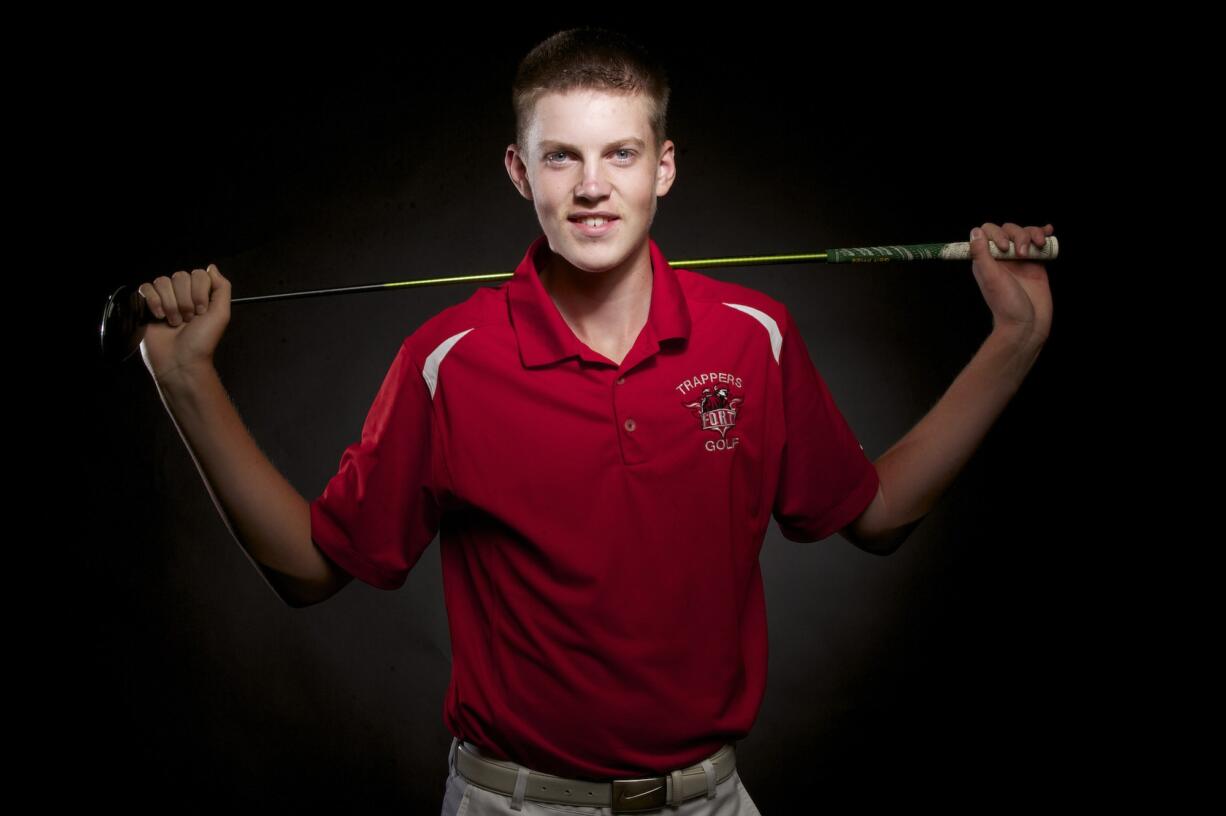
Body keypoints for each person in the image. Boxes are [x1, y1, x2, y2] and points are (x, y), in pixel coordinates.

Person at [135, 26, 1054, 816]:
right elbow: (310, 568)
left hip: (709, 796)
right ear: (518, 169)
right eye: (561, 155)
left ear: (664, 165)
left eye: (620, 153)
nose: (591, 186)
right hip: (517, 801)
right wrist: (188, 381)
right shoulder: (448, 359)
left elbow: (877, 514)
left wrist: (1015, 337)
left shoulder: (753, 337)